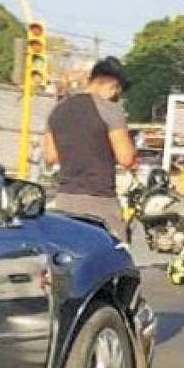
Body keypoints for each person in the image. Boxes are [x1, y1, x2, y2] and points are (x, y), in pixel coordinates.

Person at [44, 56, 136, 240]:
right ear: (114, 86)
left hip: (65, 200)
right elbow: (126, 158)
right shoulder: (110, 109)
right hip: (100, 201)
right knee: (114, 258)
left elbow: (50, 157)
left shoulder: (57, 110)